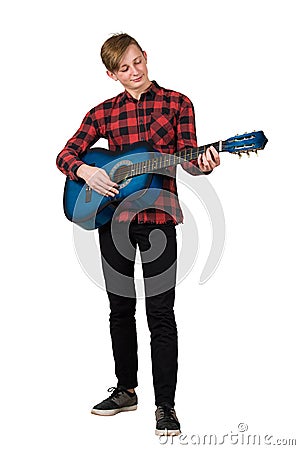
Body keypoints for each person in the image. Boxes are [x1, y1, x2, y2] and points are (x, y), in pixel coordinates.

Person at [56, 33, 220, 436]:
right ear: (111, 74)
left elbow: (189, 157)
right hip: (114, 221)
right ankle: (126, 390)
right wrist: (86, 171)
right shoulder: (103, 112)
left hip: (160, 219)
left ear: (145, 56)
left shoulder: (178, 103)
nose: (134, 72)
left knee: (160, 313)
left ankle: (165, 405)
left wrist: (205, 164)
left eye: (137, 62)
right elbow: (66, 154)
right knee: (120, 310)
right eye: (123, 69)